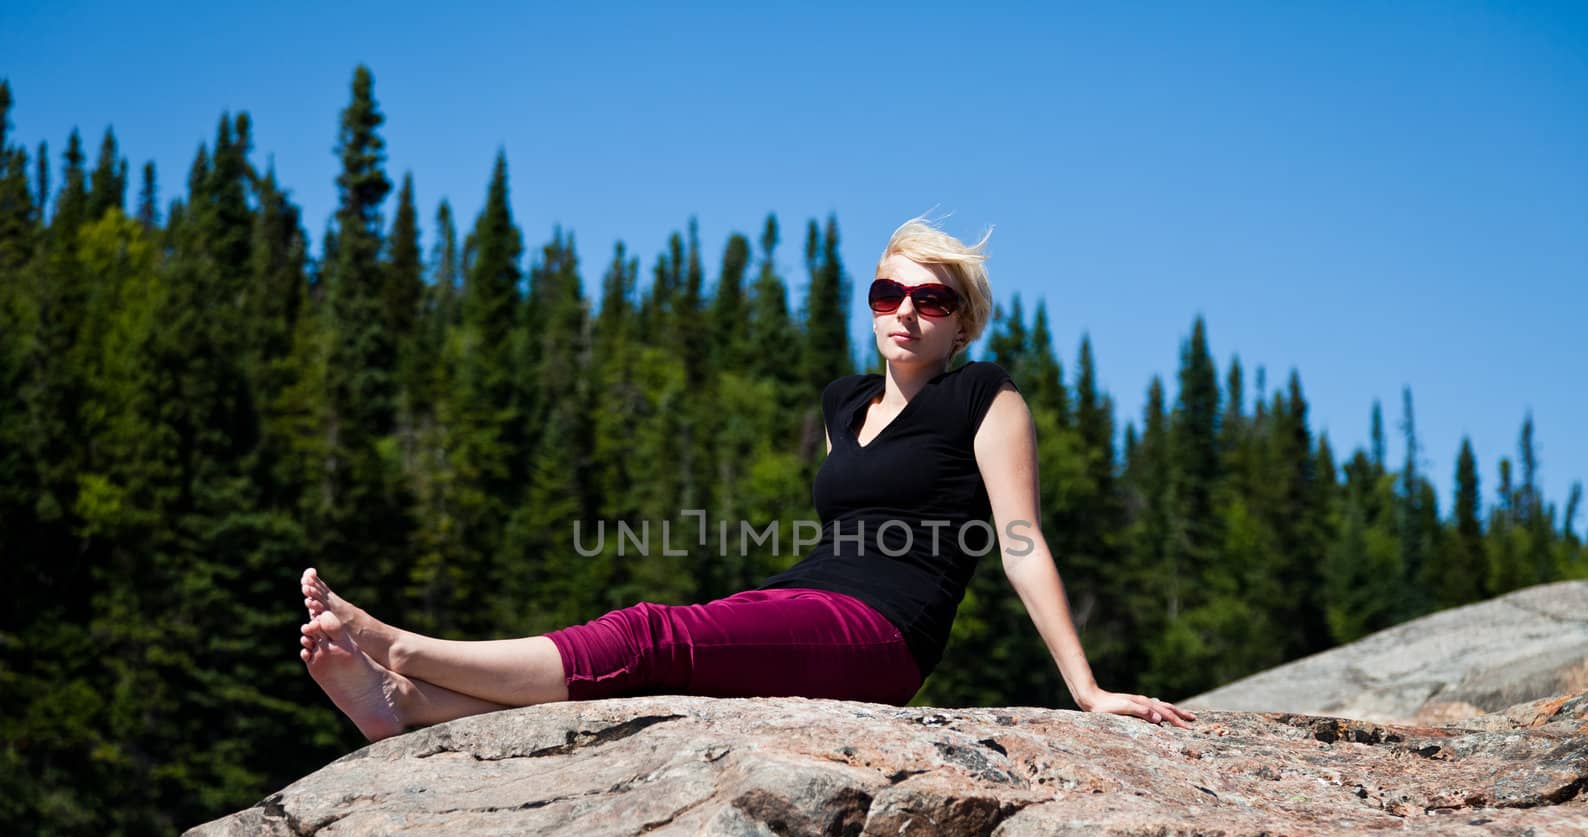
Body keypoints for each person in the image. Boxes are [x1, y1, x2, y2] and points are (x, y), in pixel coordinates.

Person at [298, 216, 1195, 741]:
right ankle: (410, 708)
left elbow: (1022, 545)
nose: (907, 313)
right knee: (652, 680)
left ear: (963, 324)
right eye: (890, 294)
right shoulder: (844, 404)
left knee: (649, 633)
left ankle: (409, 651)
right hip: (806, 603)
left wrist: (1085, 687)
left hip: (881, 634)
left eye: (932, 301)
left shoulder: (984, 398)